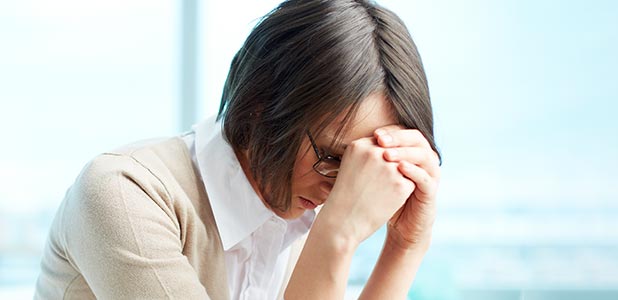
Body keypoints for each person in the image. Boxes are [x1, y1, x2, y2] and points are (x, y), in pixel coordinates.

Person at [34, 0, 441, 299]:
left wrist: (404, 248)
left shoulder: (296, 224)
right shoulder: (124, 194)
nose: (341, 192)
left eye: (366, 167)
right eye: (334, 159)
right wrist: (335, 236)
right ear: (262, 105)